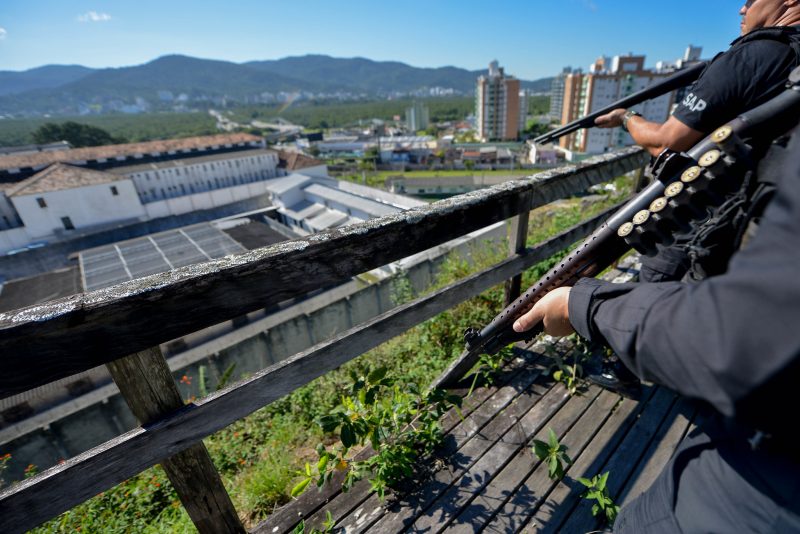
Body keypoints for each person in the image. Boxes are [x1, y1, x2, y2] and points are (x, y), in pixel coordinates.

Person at [510, 98, 800, 533]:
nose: (740, 22)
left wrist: (582, 305)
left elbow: (738, 336)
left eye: (744, 19)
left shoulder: (756, 56)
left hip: (748, 499)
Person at [583, 0, 800, 393]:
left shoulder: (752, 56)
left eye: (751, 0)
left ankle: (629, 369)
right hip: (757, 217)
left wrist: (626, 118)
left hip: (699, 207)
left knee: (655, 281)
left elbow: (667, 142)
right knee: (709, 290)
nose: (741, 7)